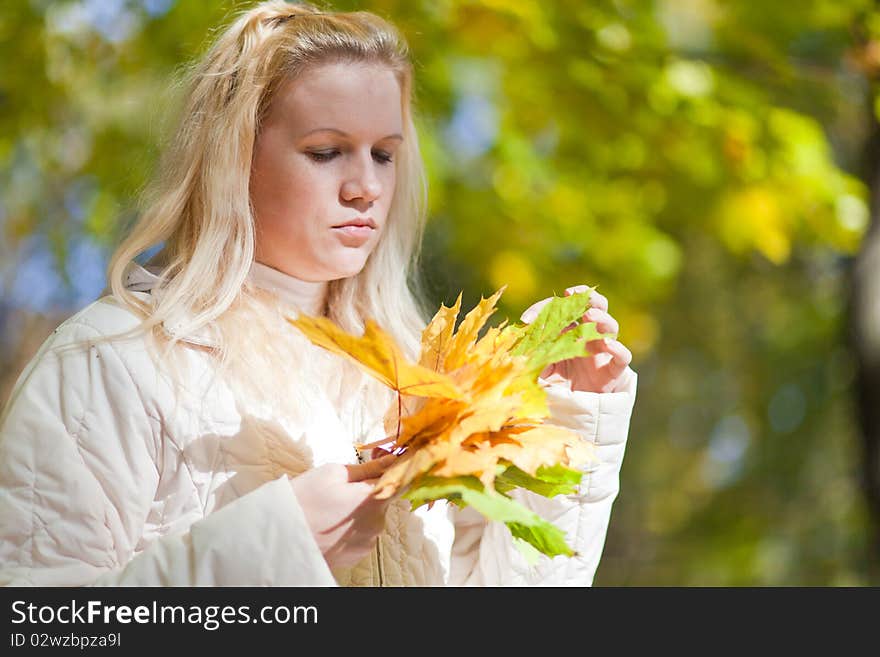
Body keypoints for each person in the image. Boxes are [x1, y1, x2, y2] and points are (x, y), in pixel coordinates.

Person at [0, 0, 637, 586]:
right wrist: (276, 547)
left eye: (384, 155)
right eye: (327, 151)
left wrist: (570, 420)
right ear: (236, 156)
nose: (365, 186)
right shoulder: (111, 359)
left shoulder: (423, 382)